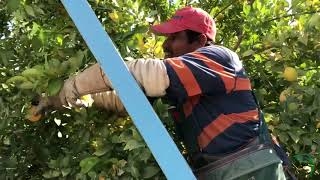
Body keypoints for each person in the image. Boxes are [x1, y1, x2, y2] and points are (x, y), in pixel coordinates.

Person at [35, 6, 292, 180]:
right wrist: (72, 100)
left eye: (174, 37)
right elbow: (126, 98)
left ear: (200, 41)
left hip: (252, 170)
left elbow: (137, 72)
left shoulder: (218, 57)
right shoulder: (184, 81)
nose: (166, 45)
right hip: (225, 172)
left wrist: (72, 87)